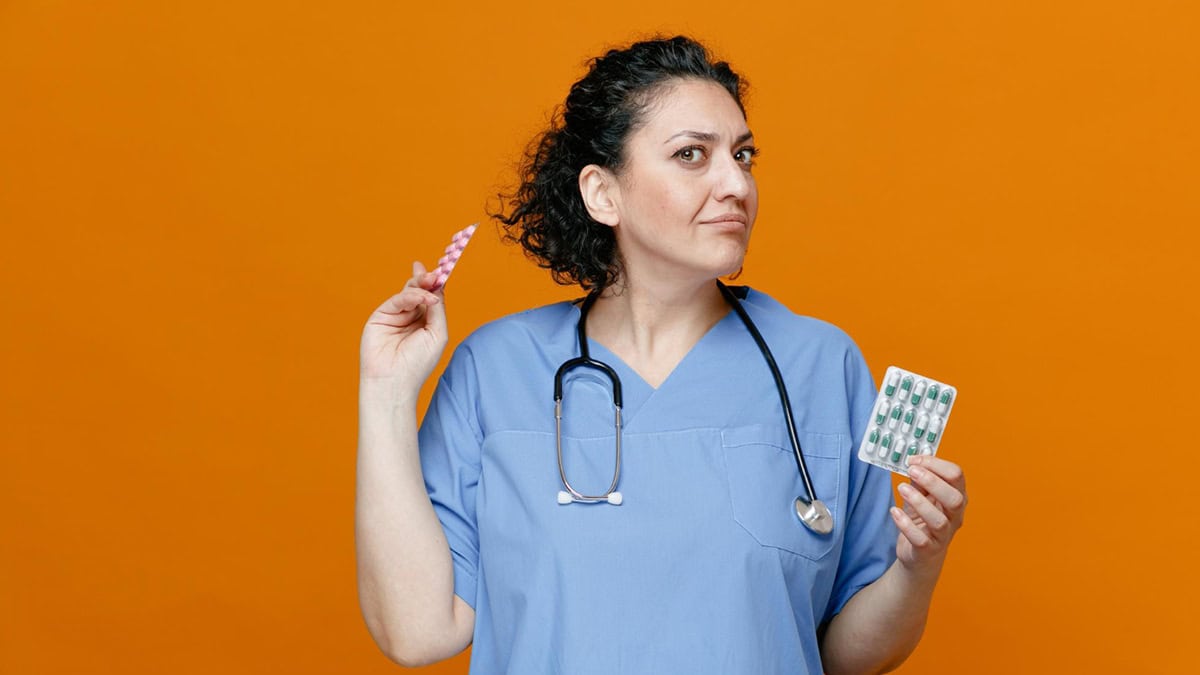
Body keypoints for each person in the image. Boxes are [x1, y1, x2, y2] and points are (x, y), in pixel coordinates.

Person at [356, 36, 967, 674]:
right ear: (603, 193)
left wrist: (917, 567)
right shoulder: (495, 369)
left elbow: (844, 655)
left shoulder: (821, 365)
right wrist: (386, 390)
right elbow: (417, 632)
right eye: (691, 155)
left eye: (743, 155)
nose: (736, 184)